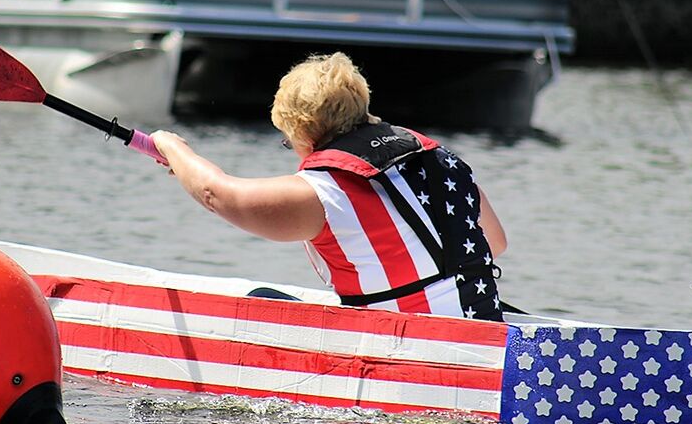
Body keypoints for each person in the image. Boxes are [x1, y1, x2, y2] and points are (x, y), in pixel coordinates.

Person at [150, 53, 507, 321]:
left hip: (409, 349)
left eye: (288, 140)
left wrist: (173, 148)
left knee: (262, 298)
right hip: (482, 326)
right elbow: (496, 242)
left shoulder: (326, 190)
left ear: (303, 133)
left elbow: (217, 194)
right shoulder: (441, 158)